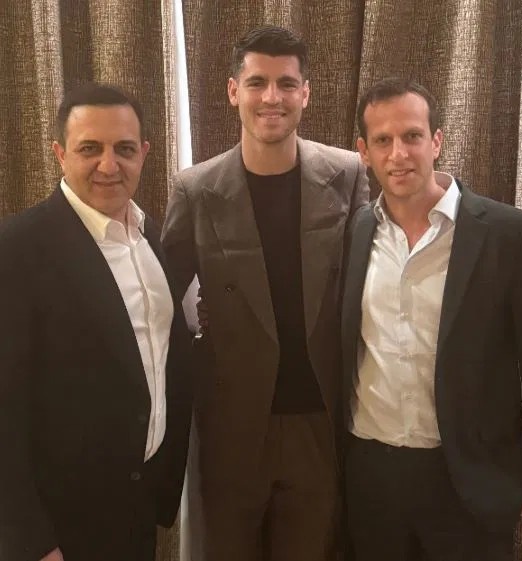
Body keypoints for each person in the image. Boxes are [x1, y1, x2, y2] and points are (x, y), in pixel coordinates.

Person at [341, 76, 522, 561]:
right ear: (363, 152)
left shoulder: (509, 235)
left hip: (469, 482)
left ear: (437, 141)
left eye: (412, 136)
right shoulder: (356, 232)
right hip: (371, 479)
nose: (399, 154)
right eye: (382, 140)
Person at [162, 25, 369, 561]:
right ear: (234, 91)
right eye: (257, 83)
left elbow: (371, 283)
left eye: (286, 83)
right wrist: (206, 336)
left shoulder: (347, 174)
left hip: (319, 422)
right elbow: (160, 301)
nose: (271, 97)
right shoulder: (195, 188)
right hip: (229, 425)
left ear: (306, 93)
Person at [0, 83, 193, 561]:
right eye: (90, 148)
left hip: (137, 504)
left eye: (124, 149)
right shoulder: (17, 249)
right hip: (61, 525)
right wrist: (30, 540)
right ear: (60, 154)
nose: (109, 165)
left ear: (144, 153)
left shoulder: (149, 238)